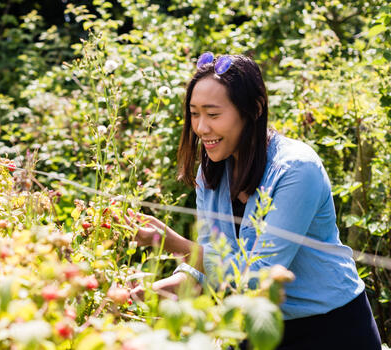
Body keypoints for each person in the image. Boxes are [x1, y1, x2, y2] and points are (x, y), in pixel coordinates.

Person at [124, 53, 381, 349]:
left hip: (330, 330)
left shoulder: (296, 169)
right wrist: (142, 294)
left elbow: (258, 278)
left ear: (255, 109)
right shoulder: (211, 173)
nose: (201, 127)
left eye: (213, 114)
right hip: (257, 328)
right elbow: (206, 269)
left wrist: (172, 243)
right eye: (194, 113)